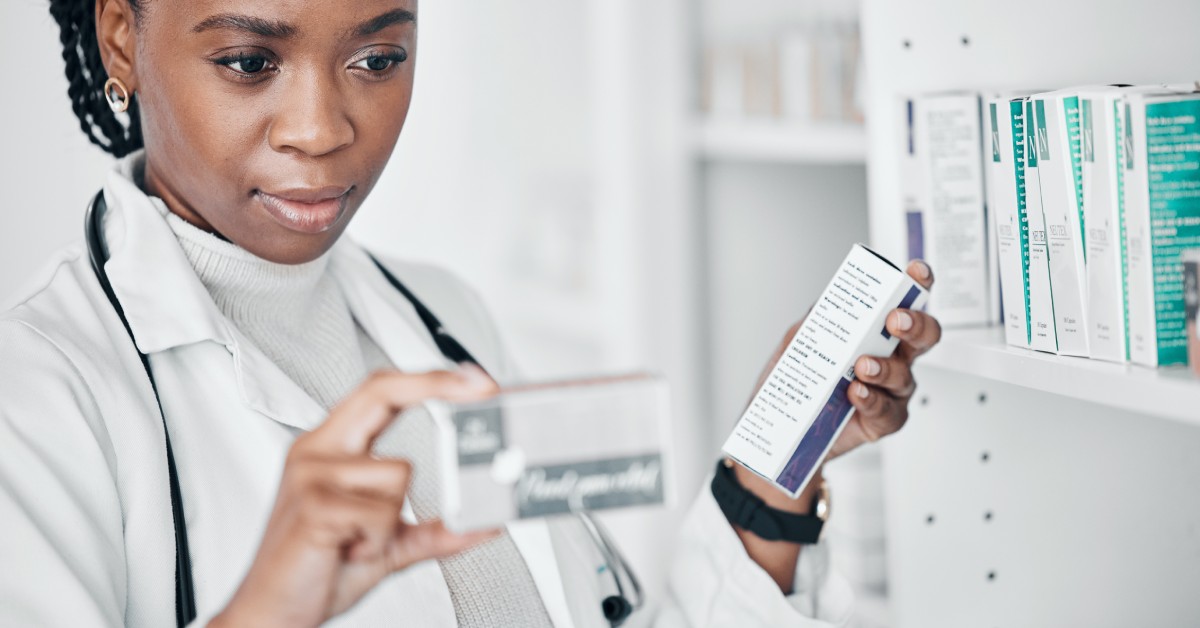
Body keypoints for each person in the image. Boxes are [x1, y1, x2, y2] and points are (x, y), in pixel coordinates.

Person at [0, 1, 942, 626]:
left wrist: (775, 469)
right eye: (250, 61)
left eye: (378, 57)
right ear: (121, 35)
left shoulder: (442, 319)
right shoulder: (40, 394)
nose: (323, 128)